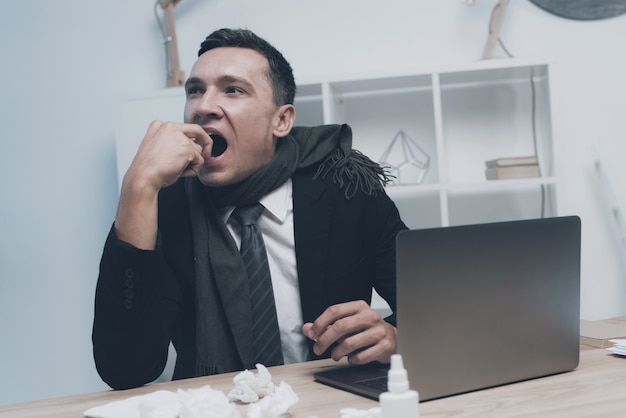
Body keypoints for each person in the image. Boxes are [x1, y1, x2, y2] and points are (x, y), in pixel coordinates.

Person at [93, 28, 407, 390]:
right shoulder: (165, 205)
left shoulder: (346, 188)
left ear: (282, 120)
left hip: (331, 402)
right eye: (195, 90)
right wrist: (137, 189)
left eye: (233, 89)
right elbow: (125, 369)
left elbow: (435, 310)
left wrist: (395, 338)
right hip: (214, 409)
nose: (203, 106)